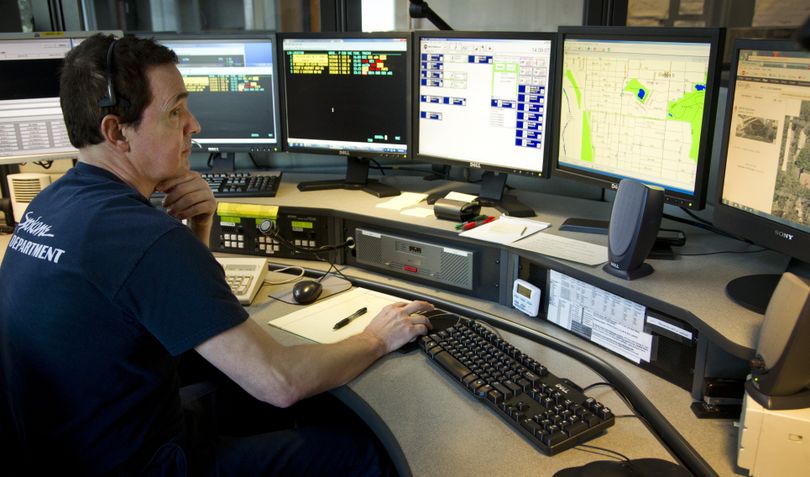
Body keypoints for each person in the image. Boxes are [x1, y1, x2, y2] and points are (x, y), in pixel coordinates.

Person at [0, 33, 434, 476]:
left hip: (75, 449)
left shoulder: (50, 203)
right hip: (146, 464)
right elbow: (280, 382)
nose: (194, 125)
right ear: (116, 132)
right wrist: (377, 338)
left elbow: (178, 306)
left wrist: (198, 229)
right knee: (361, 452)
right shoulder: (144, 238)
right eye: (175, 112)